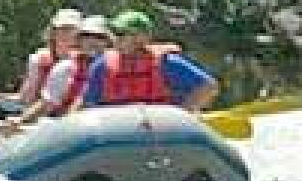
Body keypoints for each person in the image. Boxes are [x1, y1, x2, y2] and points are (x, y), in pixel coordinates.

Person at [79, 10, 220, 111]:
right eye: (114, 33)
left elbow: (208, 86)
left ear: (142, 38)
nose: (116, 39)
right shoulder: (102, 65)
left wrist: (182, 113)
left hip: (159, 135)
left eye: (122, 34)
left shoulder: (166, 63)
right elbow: (86, 104)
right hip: (116, 138)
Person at [8, 15, 113, 126]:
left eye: (99, 37)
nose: (93, 41)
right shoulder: (65, 68)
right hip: (67, 128)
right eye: (87, 36)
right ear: (79, 41)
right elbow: (46, 105)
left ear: (107, 42)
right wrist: (21, 121)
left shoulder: (114, 68)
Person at [0, 8, 82, 112]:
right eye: (63, 29)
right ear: (53, 32)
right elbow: (24, 100)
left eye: (71, 30)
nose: (66, 34)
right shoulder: (38, 59)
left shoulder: (85, 60)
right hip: (43, 119)